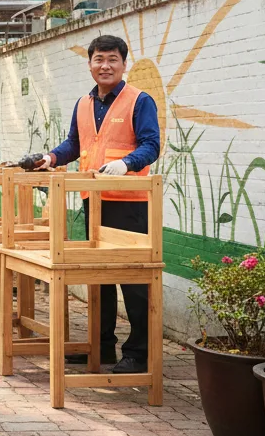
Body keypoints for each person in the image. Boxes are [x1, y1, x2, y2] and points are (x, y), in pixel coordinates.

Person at [14, 34, 161, 375]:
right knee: (98, 279)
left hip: (130, 203)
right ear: (90, 64)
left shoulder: (140, 101)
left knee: (134, 281)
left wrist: (126, 164)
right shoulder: (84, 103)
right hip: (93, 201)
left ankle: (140, 353)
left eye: (112, 59)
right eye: (98, 59)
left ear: (124, 64)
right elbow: (75, 144)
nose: (104, 65)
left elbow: (152, 145)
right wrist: (51, 158)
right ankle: (102, 346)